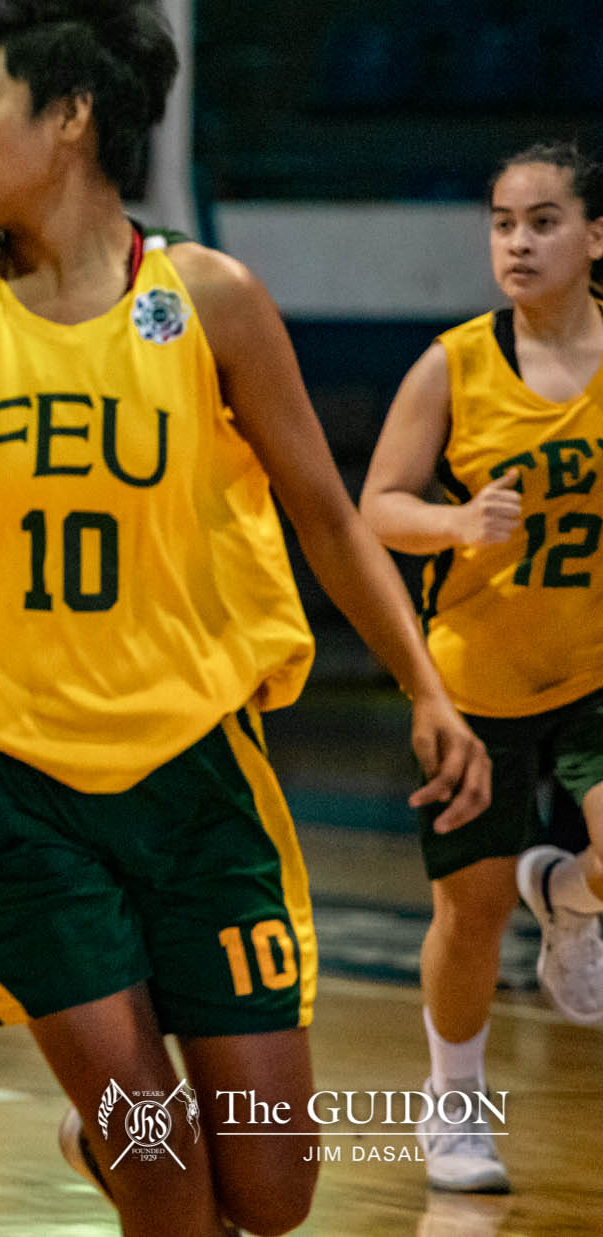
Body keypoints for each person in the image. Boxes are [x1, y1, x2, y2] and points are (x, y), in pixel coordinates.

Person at [0, 0, 489, 1237]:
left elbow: (330, 519)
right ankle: (127, 1136)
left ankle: (100, 1134)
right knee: (173, 1190)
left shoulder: (213, 301)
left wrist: (427, 687)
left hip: (196, 781)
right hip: (17, 797)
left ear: (68, 116)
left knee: (274, 1192)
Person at [360, 141, 603, 1194]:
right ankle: (452, 1105)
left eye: (542, 220)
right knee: (467, 915)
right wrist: (455, 521)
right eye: (502, 222)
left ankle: (573, 896)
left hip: (593, 667)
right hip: (474, 684)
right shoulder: (452, 363)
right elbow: (375, 508)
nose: (517, 240)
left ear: (595, 237)